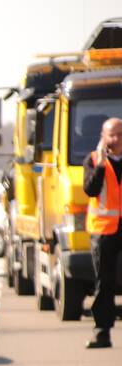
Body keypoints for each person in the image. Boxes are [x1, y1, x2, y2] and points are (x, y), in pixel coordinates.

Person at [83, 117, 122, 349]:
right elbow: (90, 189)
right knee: (104, 283)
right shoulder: (94, 159)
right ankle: (102, 332)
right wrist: (100, 166)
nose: (116, 139)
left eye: (120, 134)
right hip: (104, 230)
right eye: (112, 135)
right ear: (103, 137)